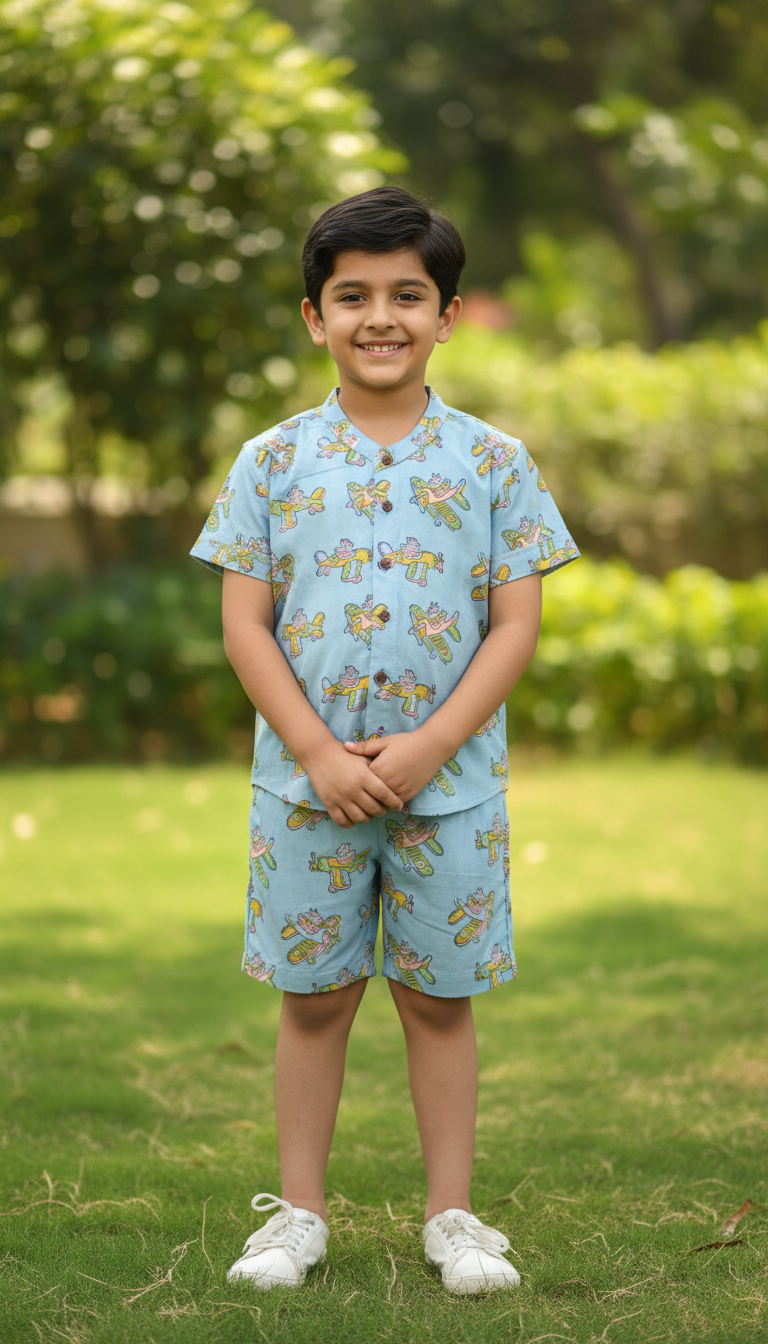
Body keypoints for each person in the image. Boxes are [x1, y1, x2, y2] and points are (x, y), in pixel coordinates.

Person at [190, 186, 579, 1295]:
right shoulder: (270, 462)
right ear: (314, 316)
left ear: (446, 317)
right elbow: (245, 625)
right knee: (314, 999)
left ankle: (453, 1217)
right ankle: (297, 1217)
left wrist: (432, 745)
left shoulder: (495, 463)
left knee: (437, 998)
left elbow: (514, 627)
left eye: (408, 295)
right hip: (304, 789)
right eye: (352, 295)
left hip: (448, 791)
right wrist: (318, 752)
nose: (380, 317)